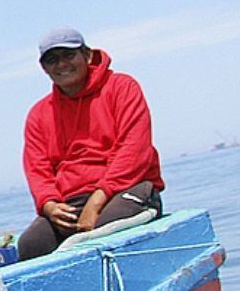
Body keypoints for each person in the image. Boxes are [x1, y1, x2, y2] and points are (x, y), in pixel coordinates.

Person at [18, 27, 164, 261]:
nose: (61, 64)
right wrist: (50, 205)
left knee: (104, 231)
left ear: (86, 55)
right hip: (73, 200)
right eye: (52, 60)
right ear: (44, 68)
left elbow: (134, 150)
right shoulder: (38, 114)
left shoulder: (122, 87)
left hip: (126, 189)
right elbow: (37, 169)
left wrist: (97, 202)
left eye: (68, 55)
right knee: (31, 245)